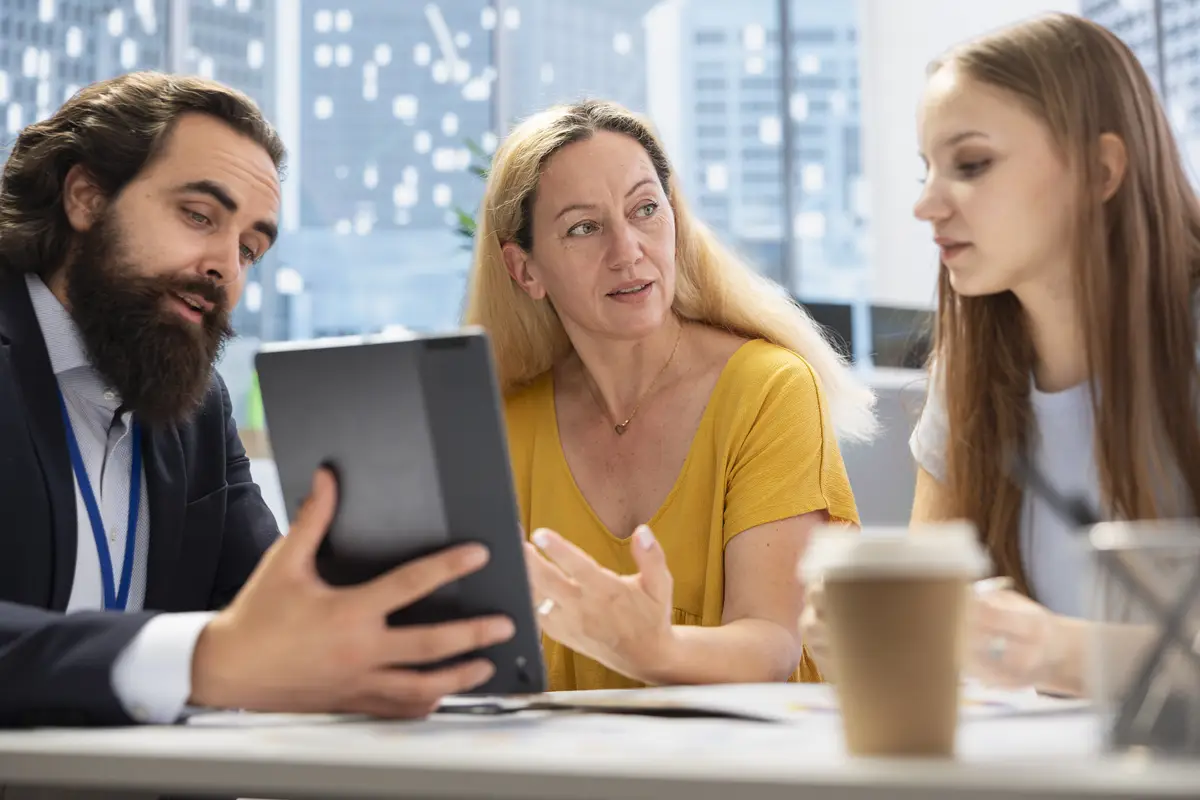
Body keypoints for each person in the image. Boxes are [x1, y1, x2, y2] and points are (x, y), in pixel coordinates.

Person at [0, 71, 514, 728]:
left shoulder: (196, 408)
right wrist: (202, 660)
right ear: (86, 198)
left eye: (249, 249)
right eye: (198, 216)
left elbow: (273, 614)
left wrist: (411, 634)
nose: (225, 267)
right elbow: (232, 651)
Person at [802, 13, 1200, 697]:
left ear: (1101, 170)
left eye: (972, 165)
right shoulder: (968, 374)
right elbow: (928, 633)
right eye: (927, 169)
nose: (926, 205)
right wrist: (869, 638)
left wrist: (1057, 653)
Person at [462, 99, 874, 691]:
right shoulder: (504, 422)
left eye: (646, 210)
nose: (628, 250)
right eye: (584, 227)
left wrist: (652, 649)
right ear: (525, 270)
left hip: (747, 749)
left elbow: (773, 643)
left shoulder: (769, 387)